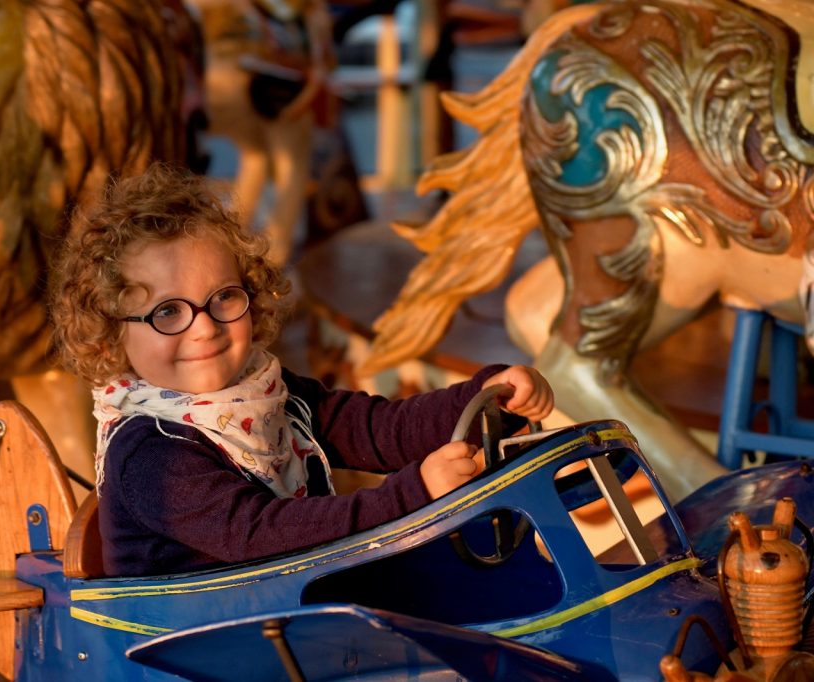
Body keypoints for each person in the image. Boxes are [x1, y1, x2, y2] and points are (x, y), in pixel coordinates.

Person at [49, 162, 554, 577]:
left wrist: (483, 398)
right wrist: (412, 494)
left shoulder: (265, 392)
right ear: (113, 330)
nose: (203, 329)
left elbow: (376, 429)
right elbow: (260, 535)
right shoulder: (151, 452)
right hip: (199, 642)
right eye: (168, 312)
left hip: (287, 608)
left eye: (224, 298)